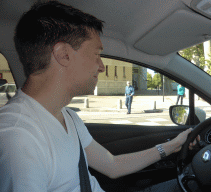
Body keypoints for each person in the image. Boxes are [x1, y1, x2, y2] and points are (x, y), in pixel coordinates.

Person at [0, 1, 199, 192]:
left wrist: (172, 145)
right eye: (96, 54)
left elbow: (113, 166)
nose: (102, 66)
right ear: (63, 55)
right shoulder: (18, 137)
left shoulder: (68, 116)